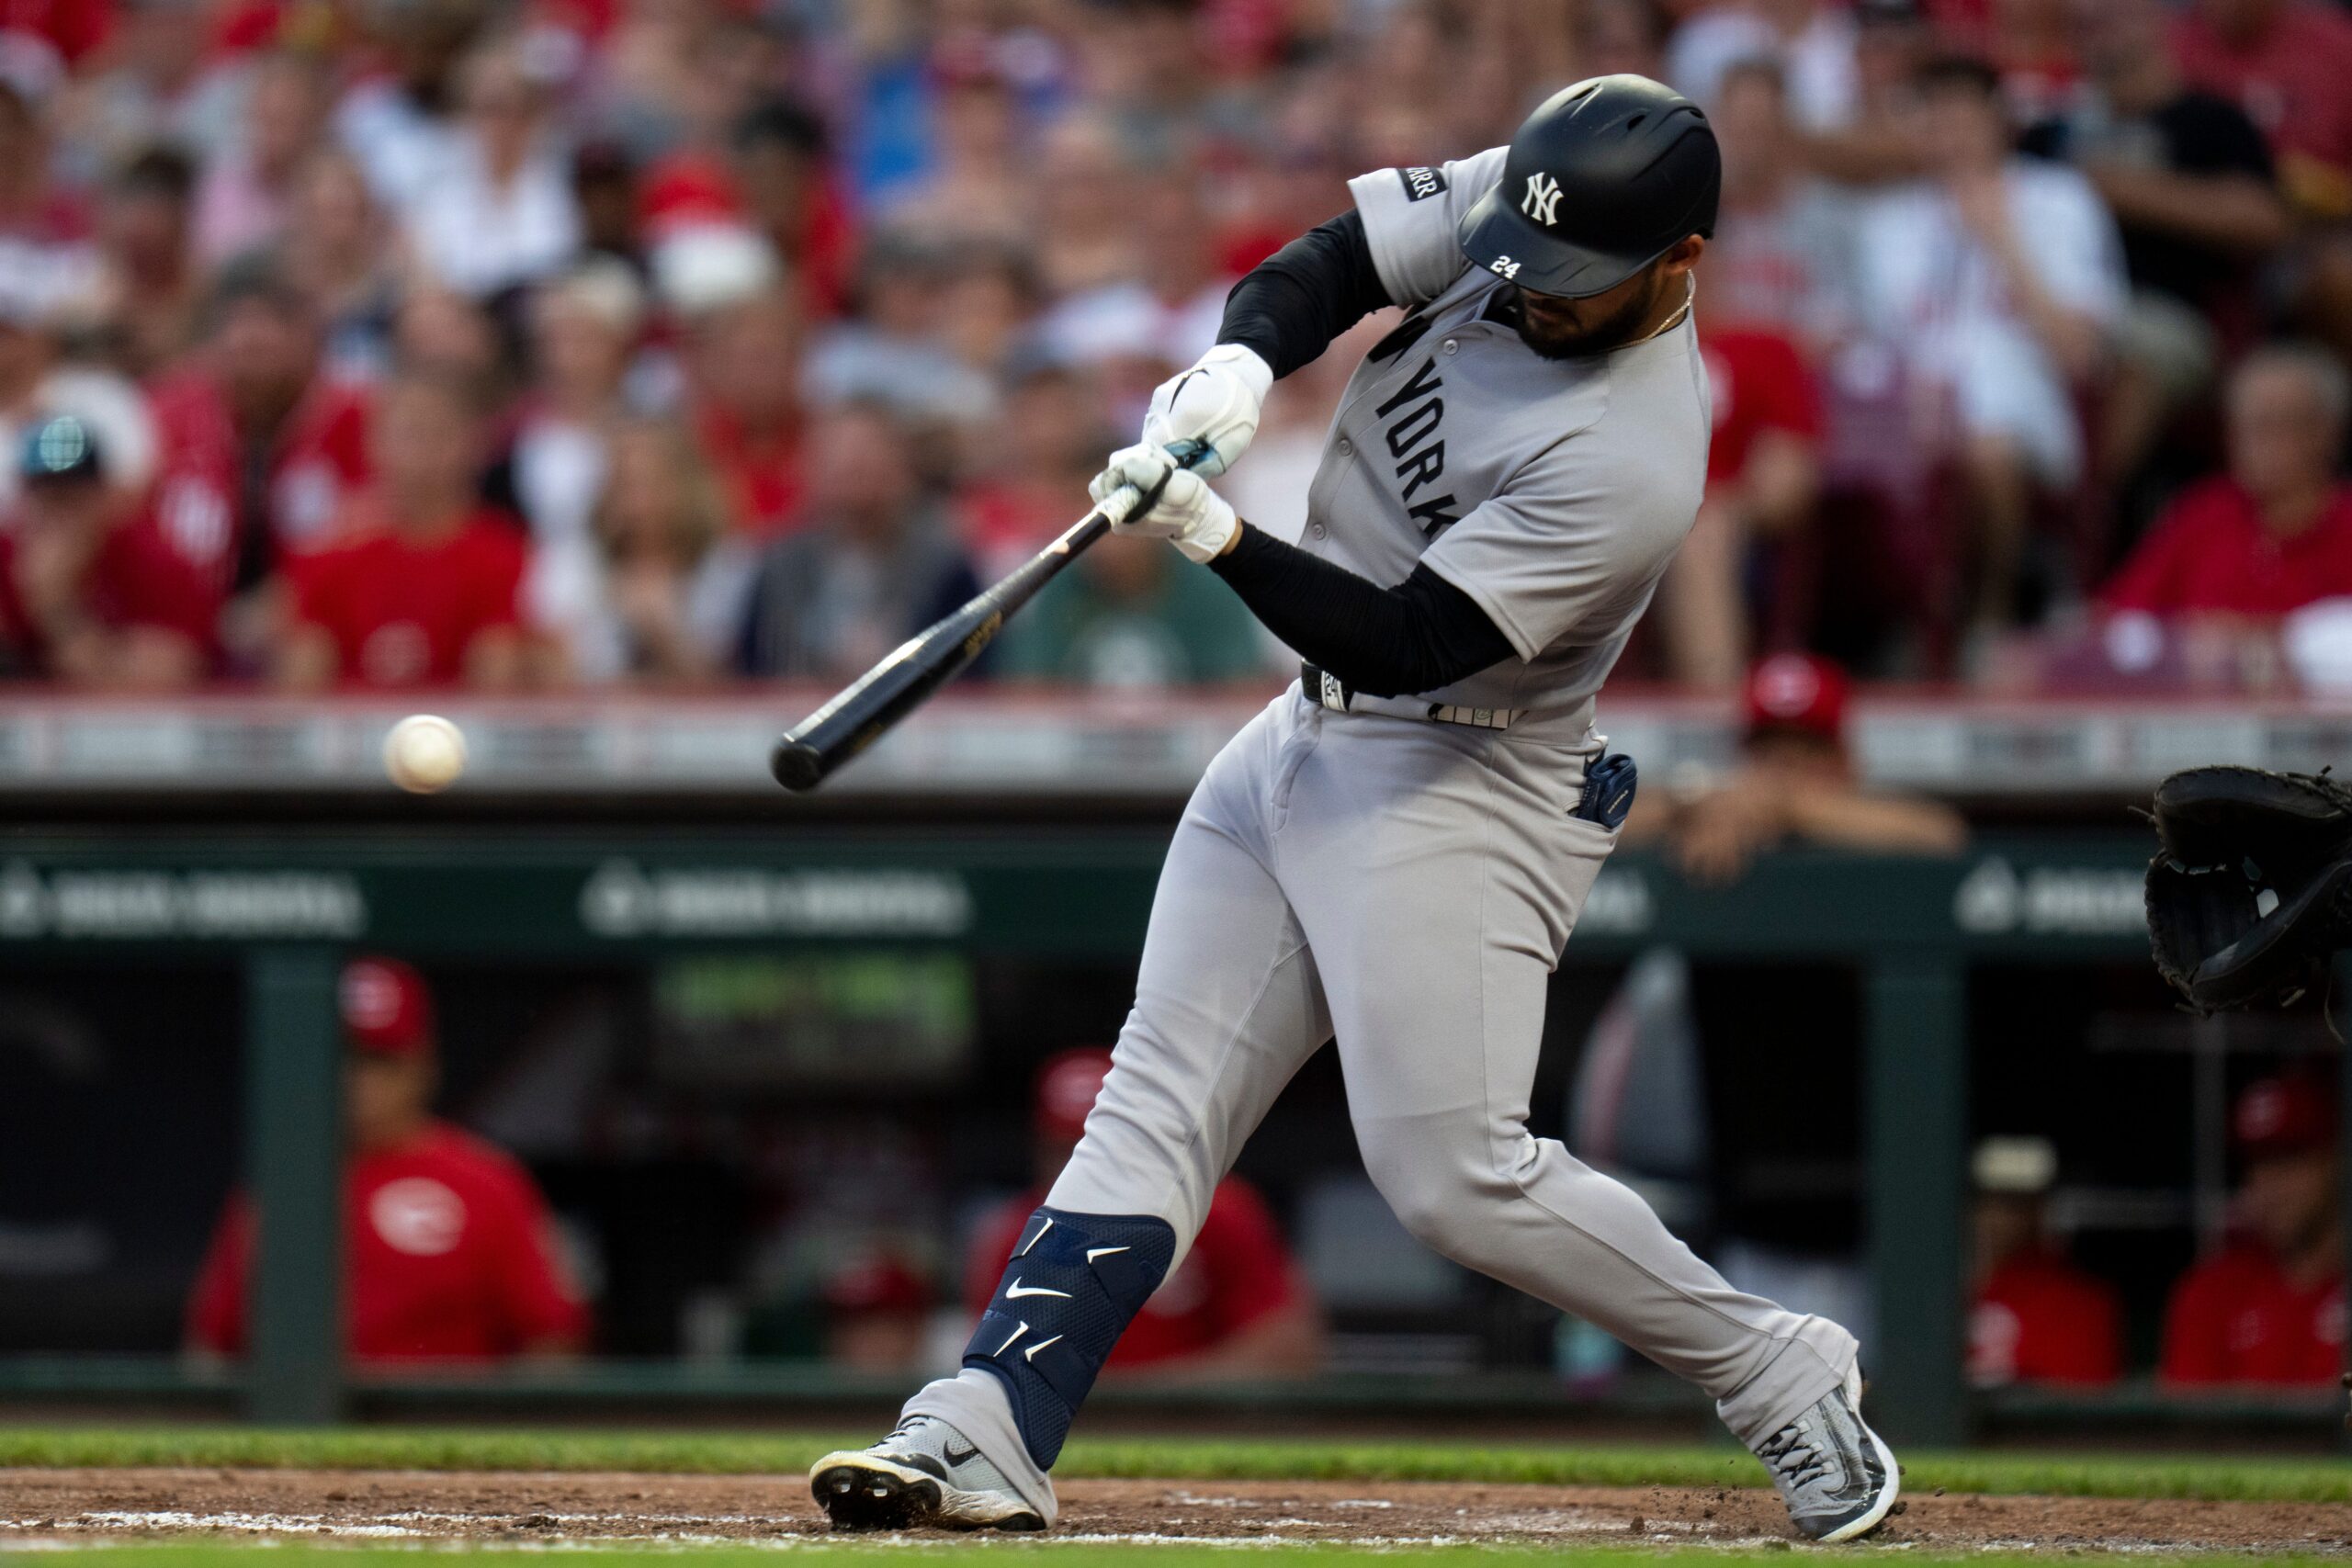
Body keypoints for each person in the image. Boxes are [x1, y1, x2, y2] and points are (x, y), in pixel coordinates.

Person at [811, 76, 1905, 1546]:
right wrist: (1241, 361)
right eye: (1523, 255)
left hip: (1463, 774)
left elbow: (1410, 641)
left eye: (1570, 280)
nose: (1526, 289)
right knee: (1155, 1094)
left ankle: (1779, 1367)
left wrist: (1216, 533)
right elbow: (1332, 261)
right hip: (1303, 734)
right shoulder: (1539, 197)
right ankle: (988, 1419)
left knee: (1453, 1177)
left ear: (1679, 263)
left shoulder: (1635, 455)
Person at [186, 955, 590, 1363]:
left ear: (425, 1066)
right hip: (308, 1405)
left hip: (442, 1402)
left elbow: (554, 1339)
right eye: (343, 1057)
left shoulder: (487, 1181)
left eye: (380, 1060)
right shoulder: (281, 1183)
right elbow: (211, 1347)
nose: (357, 1081)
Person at [1849, 53, 2125, 640]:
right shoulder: (1885, 222)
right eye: (1935, 118)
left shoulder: (2059, 201)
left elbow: (2079, 352)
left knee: (1985, 445)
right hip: (1910, 416)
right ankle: (1902, 627)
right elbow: (1868, 354)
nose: (1949, 134)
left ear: (1998, 120)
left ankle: (1991, 612)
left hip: (2024, 404)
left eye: (1964, 117)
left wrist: (2001, 238)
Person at [963, 1049, 1322, 1380]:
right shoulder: (1015, 1238)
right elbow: (998, 1374)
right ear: (1039, 1151)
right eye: (1063, 1149)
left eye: (1096, 1146)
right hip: (1081, 1428)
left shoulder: (1215, 1212)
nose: (1080, 1167)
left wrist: (1141, 1400)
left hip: (1210, 1422)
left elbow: (1288, 1349)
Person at [275, 371, 529, 690]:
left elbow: (496, 682)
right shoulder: (329, 554)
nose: (421, 452)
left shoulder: (501, 556)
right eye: (407, 433)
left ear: (472, 443)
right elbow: (302, 682)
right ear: (372, 442)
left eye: (436, 434)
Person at [1624, 654, 1969, 886]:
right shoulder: (1719, 811)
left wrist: (1788, 807)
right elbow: (1597, 828)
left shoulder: (1863, 819)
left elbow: (1944, 835)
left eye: (1805, 751)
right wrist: (1691, 804)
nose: (1783, 768)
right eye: (1769, 750)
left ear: (1844, 759)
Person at [2099, 344, 2352, 620]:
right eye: (2242, 427)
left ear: (2325, 432)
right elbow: (2119, 614)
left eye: (2270, 424)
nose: (2253, 445)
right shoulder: (2203, 512)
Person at [735, 401, 978, 682]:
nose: (853, 466)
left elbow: (972, 675)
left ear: (903, 468)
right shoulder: (780, 568)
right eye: (840, 456)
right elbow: (748, 673)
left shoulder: (944, 569)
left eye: (869, 454)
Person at [0, 412, 215, 684]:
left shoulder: (153, 559)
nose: (57, 514)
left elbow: (165, 677)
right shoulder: (9, 555)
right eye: (44, 498)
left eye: (72, 498)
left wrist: (56, 610)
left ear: (105, 497)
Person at [2161, 1073, 2346, 1387]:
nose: (2270, 1184)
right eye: (2257, 1163)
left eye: (2289, 1159)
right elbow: (2190, 1414)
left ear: (2335, 1161)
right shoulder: (2212, 1292)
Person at [1967, 1136, 2122, 1388]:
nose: (1994, 1216)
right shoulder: (1943, 1294)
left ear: (2042, 1209)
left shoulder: (2081, 1303)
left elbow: (2076, 1400)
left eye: (2012, 1204)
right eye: (1985, 1201)